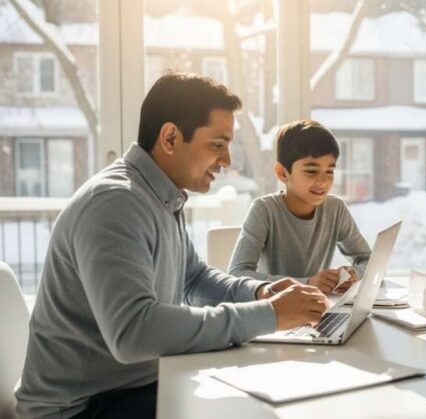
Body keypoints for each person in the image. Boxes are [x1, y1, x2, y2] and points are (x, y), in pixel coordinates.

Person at [15, 72, 329, 418]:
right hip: (80, 408)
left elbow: (193, 279)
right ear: (170, 137)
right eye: (217, 145)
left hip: (131, 386)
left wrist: (260, 293)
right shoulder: (116, 203)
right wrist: (268, 316)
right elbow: (134, 332)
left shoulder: (158, 196)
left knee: (267, 399)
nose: (227, 161)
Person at [228, 120, 371, 294]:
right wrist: (306, 283)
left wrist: (355, 274)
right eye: (311, 171)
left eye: (329, 171)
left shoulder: (336, 209)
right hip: (275, 307)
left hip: (318, 305)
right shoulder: (264, 210)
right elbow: (237, 274)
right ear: (282, 173)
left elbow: (368, 260)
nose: (323, 181)